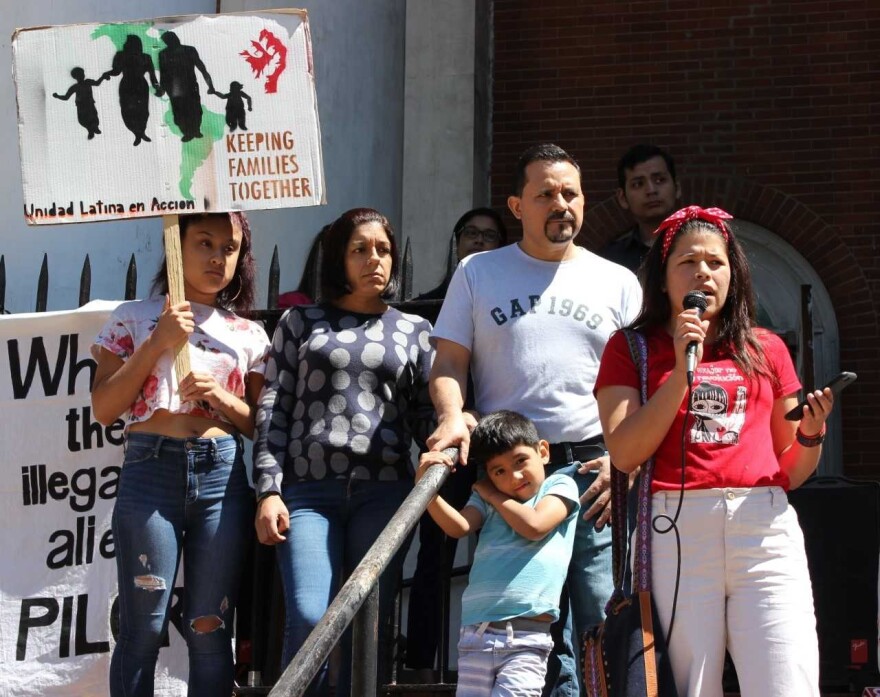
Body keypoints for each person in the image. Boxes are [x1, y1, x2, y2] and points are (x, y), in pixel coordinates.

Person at [428, 143, 642, 696]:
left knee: (600, 618)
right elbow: (450, 359)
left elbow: (647, 379)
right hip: (513, 470)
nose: (560, 203)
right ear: (517, 205)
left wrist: (630, 459)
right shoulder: (479, 271)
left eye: (569, 192)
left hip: (596, 468)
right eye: (545, 193)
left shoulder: (617, 280)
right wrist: (452, 415)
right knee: (524, 625)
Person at [595, 205, 832, 697]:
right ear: (662, 279)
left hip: (763, 528)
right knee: (690, 687)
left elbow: (791, 470)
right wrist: (683, 372)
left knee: (787, 682)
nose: (703, 271)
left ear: (734, 274)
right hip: (678, 529)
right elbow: (625, 452)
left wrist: (811, 434)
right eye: (687, 262)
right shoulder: (630, 347)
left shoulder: (766, 348)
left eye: (716, 262)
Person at [253, 207, 436, 696]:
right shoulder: (299, 321)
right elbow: (273, 407)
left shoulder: (414, 330)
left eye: (382, 249)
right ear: (338, 257)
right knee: (311, 614)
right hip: (308, 492)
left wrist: (455, 429)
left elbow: (425, 417)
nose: (374, 259)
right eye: (360, 249)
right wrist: (268, 490)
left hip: (385, 494)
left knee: (364, 624)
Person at [90, 212, 270, 697]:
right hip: (151, 469)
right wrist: (157, 341)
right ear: (177, 245)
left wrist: (220, 396)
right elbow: (104, 408)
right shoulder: (132, 317)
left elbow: (260, 426)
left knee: (210, 630)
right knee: (143, 627)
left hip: (223, 476)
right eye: (204, 243)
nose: (217, 257)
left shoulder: (251, 335)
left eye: (229, 248)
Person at [405, 206, 507, 679]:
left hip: (503, 446)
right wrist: (441, 429)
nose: (480, 242)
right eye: (471, 233)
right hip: (449, 448)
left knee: (506, 550)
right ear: (456, 241)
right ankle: (421, 664)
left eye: (491, 236)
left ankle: (500, 663)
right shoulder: (422, 307)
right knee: (435, 556)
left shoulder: (508, 301)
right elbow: (414, 388)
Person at [416, 411, 579, 696]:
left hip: (527, 638)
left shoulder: (559, 485)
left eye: (520, 461)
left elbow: (536, 525)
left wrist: (494, 494)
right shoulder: (485, 499)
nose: (514, 477)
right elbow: (459, 526)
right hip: (476, 633)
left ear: (542, 451)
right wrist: (426, 489)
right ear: (488, 474)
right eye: (498, 471)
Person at [599, 144, 681, 273]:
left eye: (659, 180)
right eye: (638, 184)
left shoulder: (702, 245)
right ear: (623, 198)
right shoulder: (610, 261)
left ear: (677, 188)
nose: (651, 190)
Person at [416, 207, 509, 302]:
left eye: (489, 235)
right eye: (471, 233)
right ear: (456, 243)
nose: (479, 240)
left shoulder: (511, 302)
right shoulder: (422, 308)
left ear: (500, 247)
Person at [102, 34, 163, 146]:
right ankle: (137, 133)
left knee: (142, 111)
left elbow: (152, 76)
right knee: (128, 111)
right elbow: (116, 71)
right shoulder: (122, 56)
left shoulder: (145, 57)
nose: (125, 44)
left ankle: (141, 132)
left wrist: (157, 87)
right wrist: (107, 73)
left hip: (137, 86)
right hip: (129, 86)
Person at [159, 31, 216, 142]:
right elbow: (163, 74)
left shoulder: (189, 50)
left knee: (195, 110)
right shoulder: (164, 54)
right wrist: (162, 89)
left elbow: (202, 68)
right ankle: (187, 132)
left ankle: (195, 130)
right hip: (175, 89)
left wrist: (211, 85)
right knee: (180, 113)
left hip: (190, 86)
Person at [53, 67, 108, 139]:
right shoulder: (75, 87)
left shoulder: (87, 82)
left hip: (89, 104)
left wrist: (103, 77)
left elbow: (97, 83)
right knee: (83, 119)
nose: (82, 76)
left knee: (93, 116)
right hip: (81, 106)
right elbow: (66, 97)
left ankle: (94, 128)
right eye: (80, 75)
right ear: (76, 77)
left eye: (82, 74)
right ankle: (90, 130)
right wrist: (57, 96)